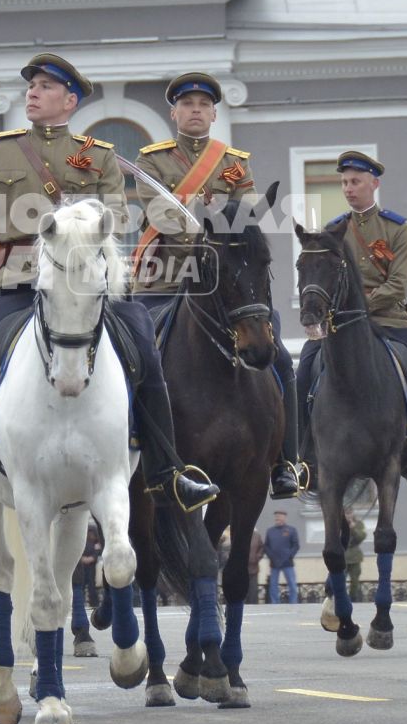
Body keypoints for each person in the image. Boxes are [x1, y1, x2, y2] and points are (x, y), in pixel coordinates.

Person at [0, 53, 216, 517]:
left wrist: (75, 219)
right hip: (16, 284)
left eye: (45, 87)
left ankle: (167, 472)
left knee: (147, 353)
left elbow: (118, 216)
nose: (32, 92)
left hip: (85, 288)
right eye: (31, 86)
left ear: (69, 101)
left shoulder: (99, 156)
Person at [130, 71, 304, 500]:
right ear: (174, 114)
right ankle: (133, 446)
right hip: (167, 283)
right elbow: (160, 215)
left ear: (212, 113)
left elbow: (245, 217)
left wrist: (217, 224)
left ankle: (285, 461)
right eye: (187, 104)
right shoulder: (153, 161)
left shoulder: (233, 163)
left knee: (279, 357)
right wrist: (207, 228)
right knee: (135, 356)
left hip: (226, 289)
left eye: (203, 105)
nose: (195, 111)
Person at [296, 151, 407, 496]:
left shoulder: (397, 228)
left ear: (373, 184)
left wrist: (361, 305)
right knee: (303, 372)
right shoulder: (334, 232)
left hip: (392, 321)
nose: (348, 189)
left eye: (355, 182)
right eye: (344, 183)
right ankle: (305, 460)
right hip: (344, 327)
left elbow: (398, 285)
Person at [262, 510, 299, 604]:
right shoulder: (270, 531)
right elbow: (266, 546)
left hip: (287, 562)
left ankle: (293, 603)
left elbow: (296, 545)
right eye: (276, 516)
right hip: (274, 563)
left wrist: (290, 555)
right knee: (273, 585)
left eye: (279, 516)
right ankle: (275, 603)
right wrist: (271, 556)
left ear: (284, 517)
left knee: (292, 584)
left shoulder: (291, 530)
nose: (277, 518)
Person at [342, 508, 365, 600]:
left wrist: (353, 528)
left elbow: (361, 537)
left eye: (350, 513)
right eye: (346, 513)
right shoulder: (338, 523)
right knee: (340, 580)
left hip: (355, 557)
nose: (348, 515)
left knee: (355, 580)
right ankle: (342, 598)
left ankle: (353, 598)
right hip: (342, 557)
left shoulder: (358, 524)